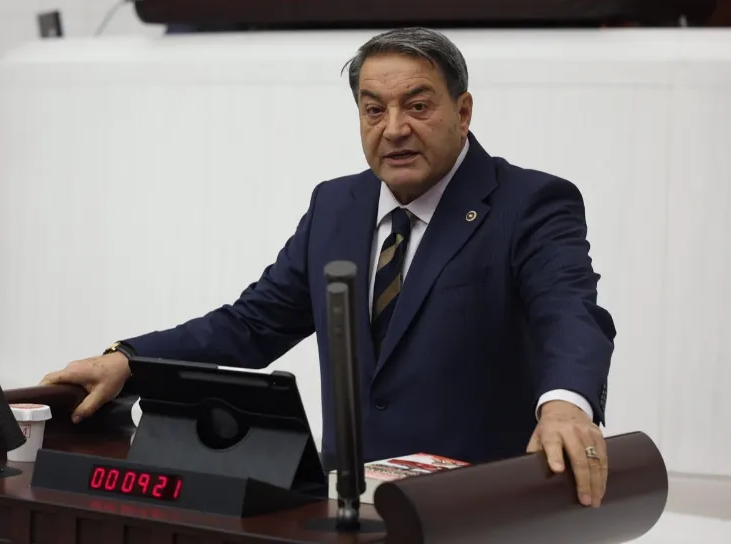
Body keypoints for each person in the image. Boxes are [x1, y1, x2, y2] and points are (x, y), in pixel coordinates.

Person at [41, 28, 615, 508]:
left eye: (418, 106)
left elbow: (569, 313)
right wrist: (130, 359)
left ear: (462, 112)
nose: (394, 128)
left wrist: (566, 405)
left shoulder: (529, 203)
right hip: (345, 504)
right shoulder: (337, 205)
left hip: (474, 509)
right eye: (374, 109)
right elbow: (253, 324)